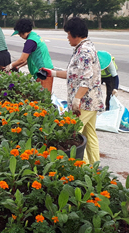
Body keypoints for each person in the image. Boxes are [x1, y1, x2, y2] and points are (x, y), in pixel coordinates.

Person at [40, 17, 103, 165]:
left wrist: (77, 99)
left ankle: (85, 169)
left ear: (75, 34)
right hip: (90, 102)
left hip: (84, 103)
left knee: (74, 135)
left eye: (68, 34)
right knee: (90, 135)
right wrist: (52, 73)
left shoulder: (84, 52)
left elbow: (86, 79)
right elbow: (73, 73)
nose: (67, 38)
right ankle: (95, 168)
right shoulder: (83, 48)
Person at [5, 18, 54, 92]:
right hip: (45, 70)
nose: (19, 36)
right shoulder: (35, 36)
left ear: (23, 31)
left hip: (43, 72)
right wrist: (18, 66)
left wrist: (10, 66)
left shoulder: (30, 42)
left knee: (44, 97)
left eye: (19, 34)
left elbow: (22, 59)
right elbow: (30, 58)